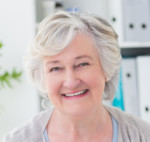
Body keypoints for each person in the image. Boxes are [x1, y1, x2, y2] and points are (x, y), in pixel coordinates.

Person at [3, 11, 150, 142]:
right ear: (42, 77)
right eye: (55, 68)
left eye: (82, 64)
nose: (71, 81)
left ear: (106, 68)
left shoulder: (142, 136)